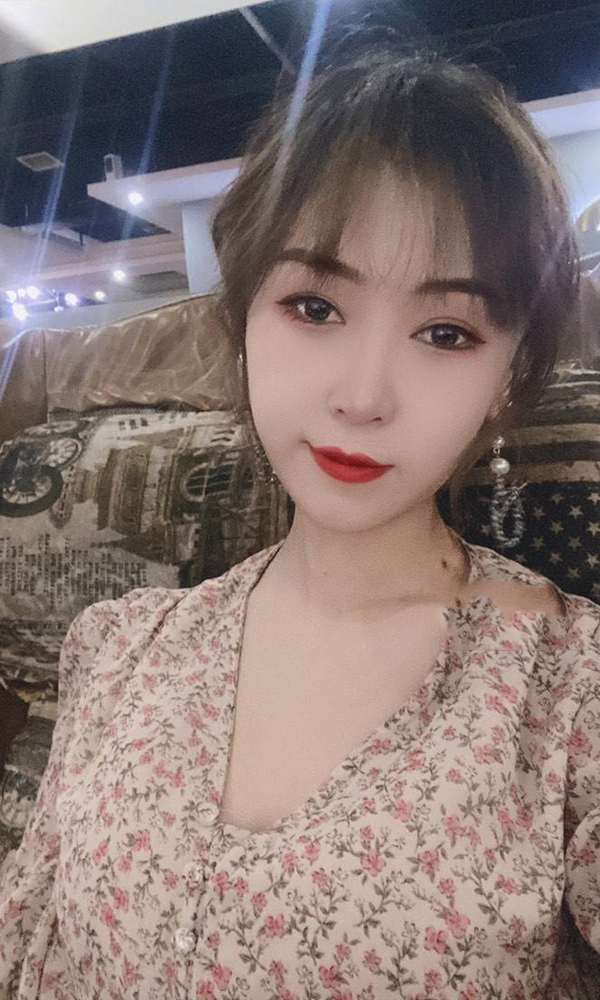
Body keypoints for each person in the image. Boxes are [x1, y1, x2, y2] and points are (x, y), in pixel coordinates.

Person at [1, 41, 599, 1000]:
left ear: (508, 376)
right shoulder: (118, 652)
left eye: (446, 332)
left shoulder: (567, 695)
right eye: (314, 307)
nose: (362, 397)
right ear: (244, 324)